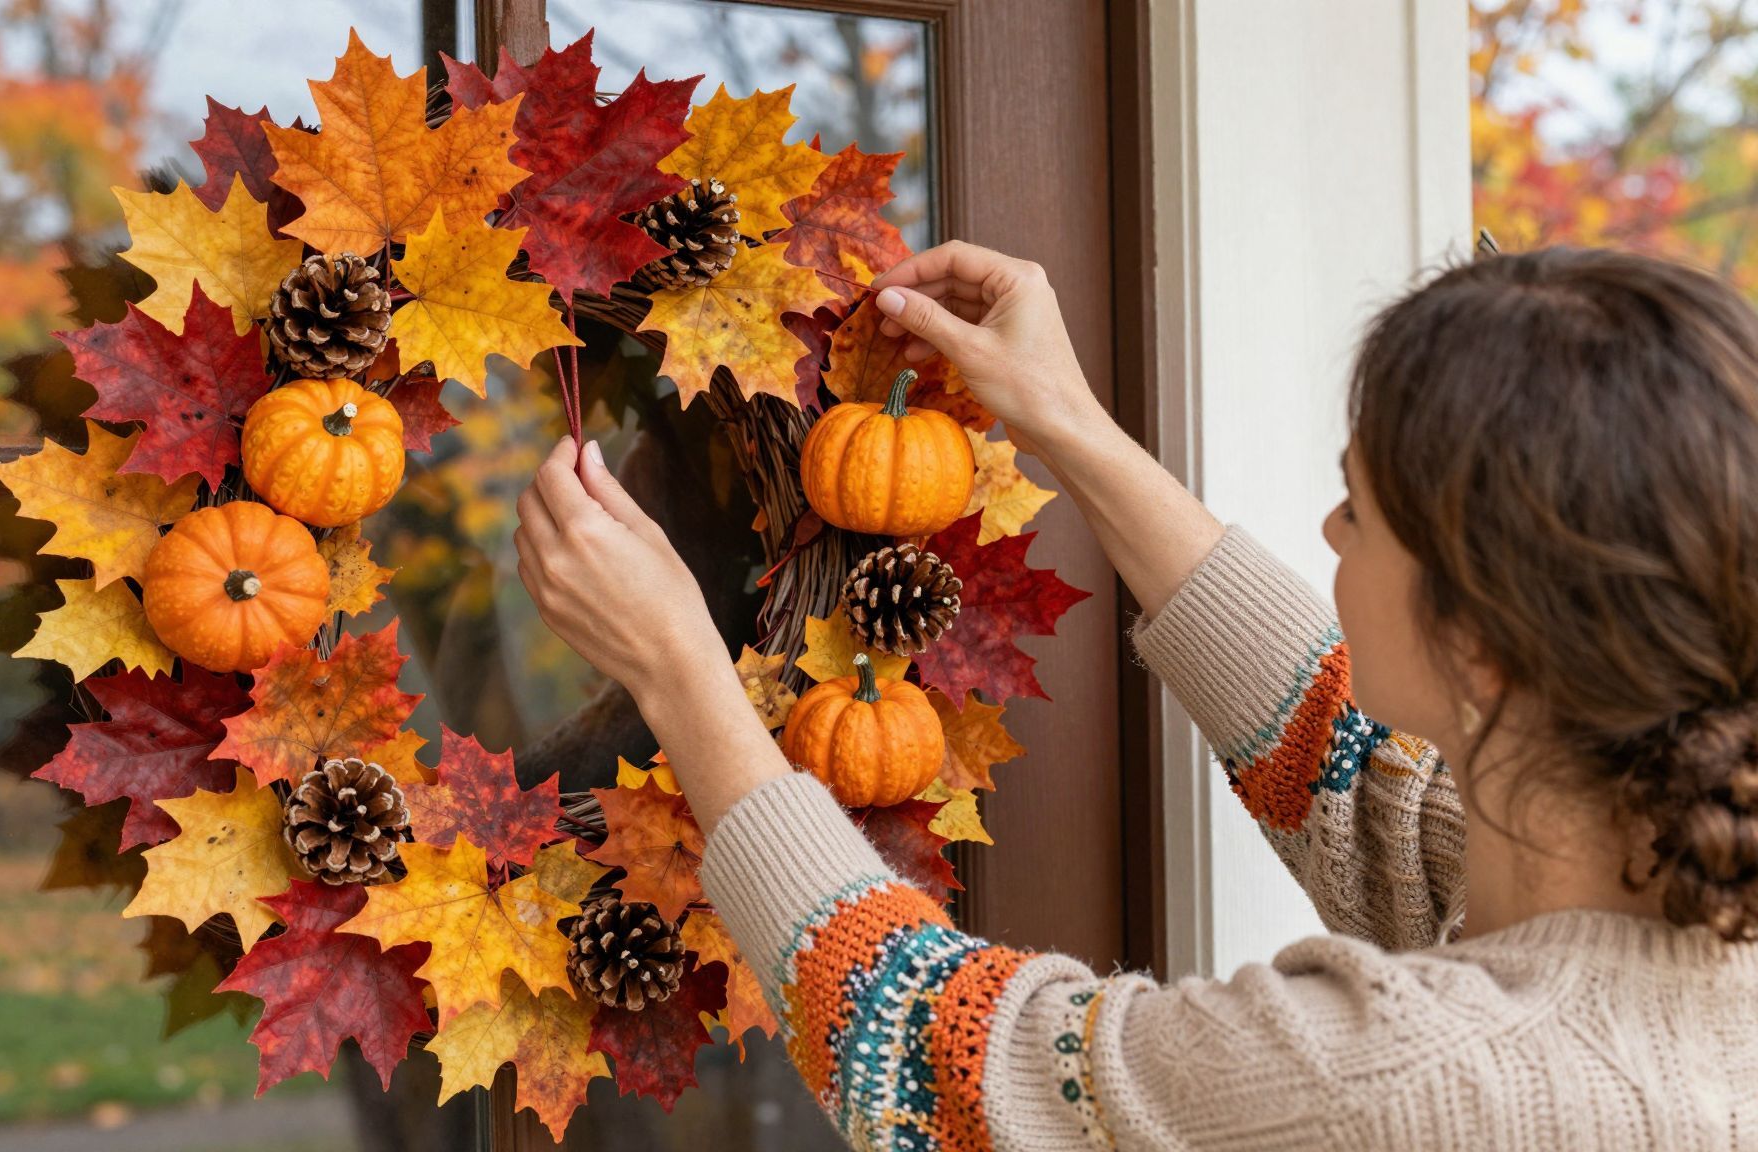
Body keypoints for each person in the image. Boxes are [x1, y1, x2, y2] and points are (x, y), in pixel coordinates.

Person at [513, 242, 1758, 1150]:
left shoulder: (1400, 1080)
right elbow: (1351, 778)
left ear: (1484, 642)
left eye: (1358, 506)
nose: (1326, 526)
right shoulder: (1675, 910)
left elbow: (929, 1050)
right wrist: (1065, 422)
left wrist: (678, 664)